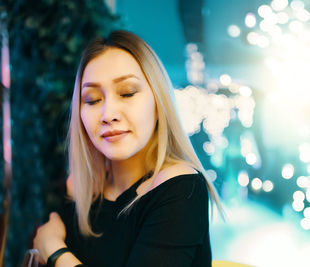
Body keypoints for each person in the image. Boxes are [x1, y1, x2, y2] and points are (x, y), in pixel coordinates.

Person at [33, 30, 223, 267]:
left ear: (158, 101)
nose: (108, 114)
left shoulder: (181, 189)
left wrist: (54, 250)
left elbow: (51, 247)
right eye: (92, 99)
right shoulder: (79, 188)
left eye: (127, 93)